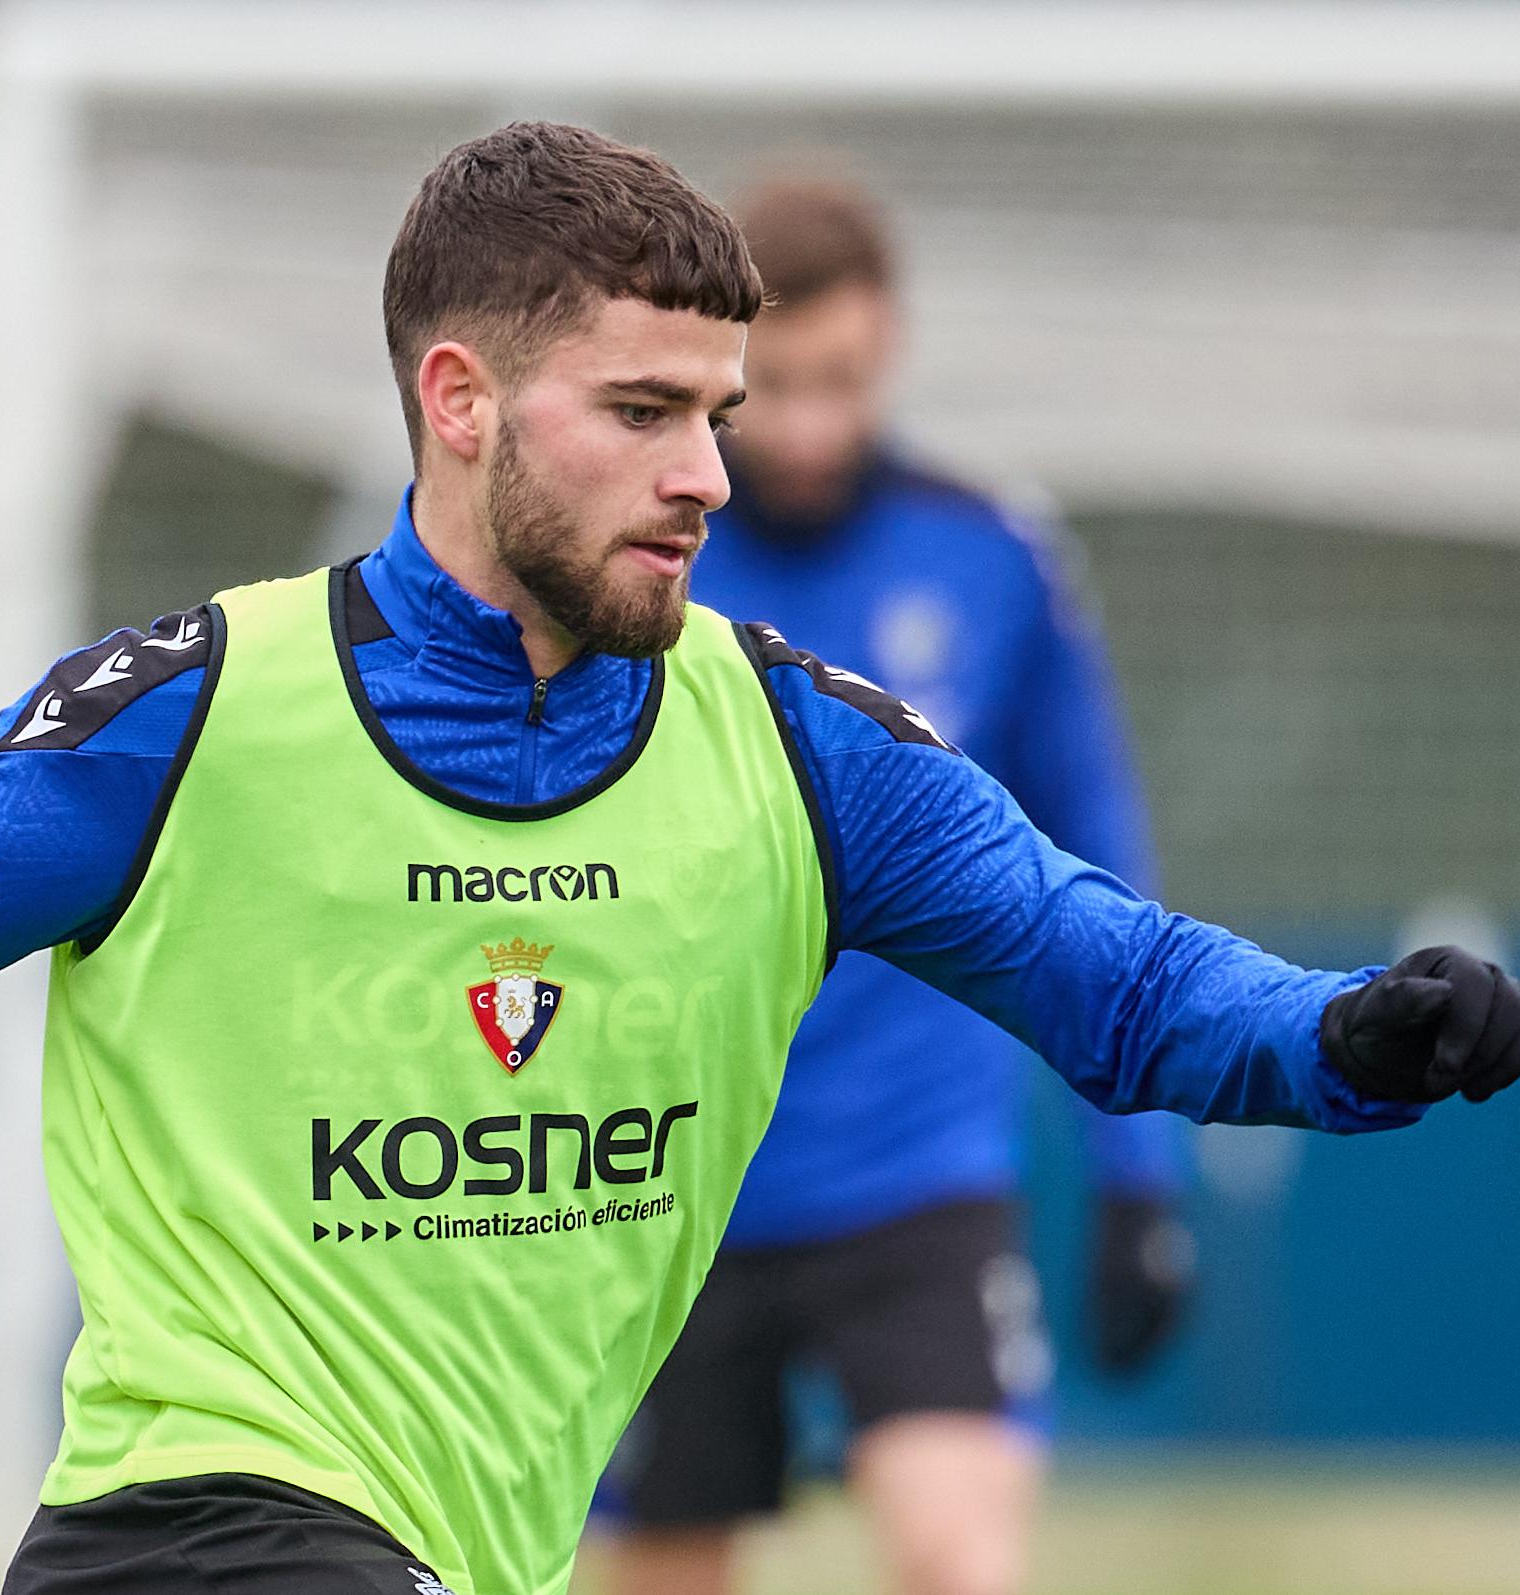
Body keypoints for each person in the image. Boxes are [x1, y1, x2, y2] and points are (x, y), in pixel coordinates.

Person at [0, 122, 1520, 1595]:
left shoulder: (794, 753)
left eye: (720, 414)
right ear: (458, 404)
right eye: (642, 414)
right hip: (199, 1538)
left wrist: (1351, 1040)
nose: (704, 471)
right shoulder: (181, 726)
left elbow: (1122, 985)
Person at [593, 172, 1187, 1595]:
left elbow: (1089, 852)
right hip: (663, 1176)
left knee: (954, 1560)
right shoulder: (628, 555)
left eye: (840, 380)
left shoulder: (991, 555)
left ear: (892, 347)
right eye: (772, 387)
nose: (805, 424)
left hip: (918, 1174)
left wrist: (1136, 1175)